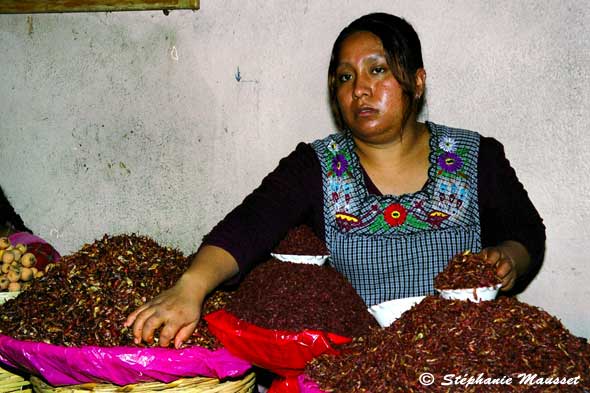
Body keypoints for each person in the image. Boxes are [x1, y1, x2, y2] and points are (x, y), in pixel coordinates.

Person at [125, 12, 545, 348]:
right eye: (345, 77)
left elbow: (527, 233)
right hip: (351, 363)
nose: (360, 90)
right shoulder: (315, 166)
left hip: (463, 357)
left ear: (417, 81)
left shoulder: (475, 156)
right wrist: (190, 288)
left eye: (377, 70)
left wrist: (509, 257)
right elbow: (247, 228)